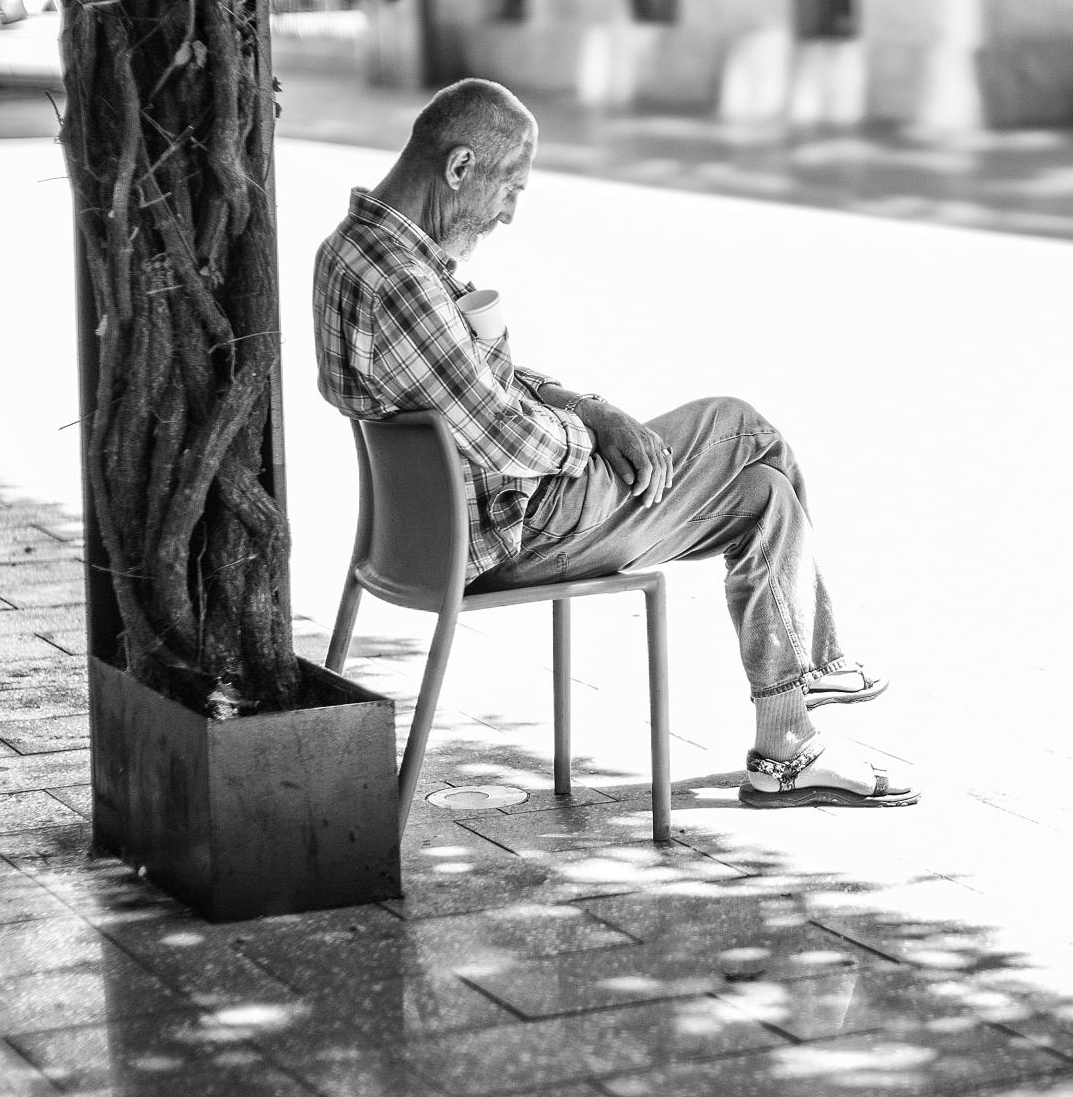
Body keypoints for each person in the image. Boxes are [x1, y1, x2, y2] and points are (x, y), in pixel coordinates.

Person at [312, 79, 918, 812]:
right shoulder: (403, 281)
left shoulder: (355, 250)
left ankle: (789, 741)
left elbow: (472, 384)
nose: (508, 212)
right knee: (741, 427)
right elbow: (506, 431)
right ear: (461, 167)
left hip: (428, 536)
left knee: (766, 495)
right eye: (510, 188)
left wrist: (590, 408)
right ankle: (811, 681)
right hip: (512, 531)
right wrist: (589, 442)